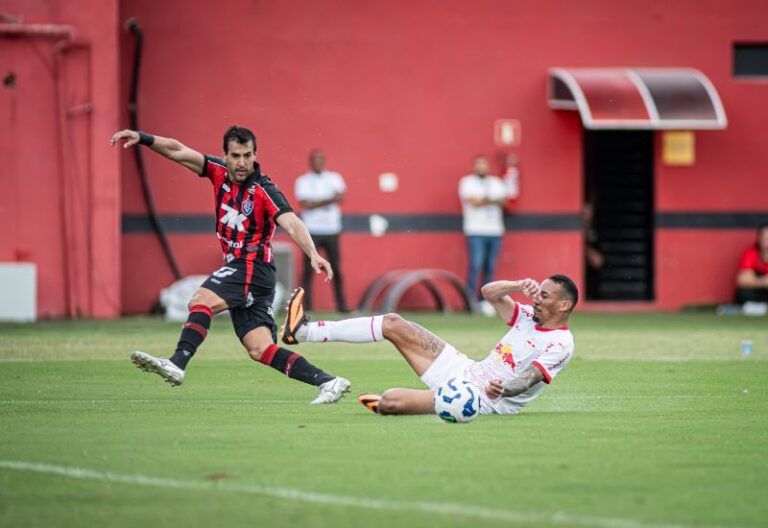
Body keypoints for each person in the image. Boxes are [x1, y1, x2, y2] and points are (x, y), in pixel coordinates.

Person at [110, 126, 350, 404]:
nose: (242, 162)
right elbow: (177, 150)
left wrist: (313, 253)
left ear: (255, 155)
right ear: (225, 155)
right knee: (260, 349)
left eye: (248, 155)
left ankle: (178, 362)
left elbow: (292, 222)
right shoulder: (216, 171)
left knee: (201, 299)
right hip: (247, 272)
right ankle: (329, 381)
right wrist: (144, 138)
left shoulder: (263, 189)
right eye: (236, 155)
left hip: (252, 267)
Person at [280, 275, 577, 416]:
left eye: (546, 296)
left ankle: (389, 405)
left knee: (390, 401)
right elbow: (488, 293)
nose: (537, 298)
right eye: (540, 292)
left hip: (481, 399)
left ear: (564, 305)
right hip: (465, 369)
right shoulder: (526, 315)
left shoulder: (561, 343)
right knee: (394, 322)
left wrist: (504, 389)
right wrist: (516, 285)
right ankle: (303, 331)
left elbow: (527, 380)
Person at [294, 149, 349, 312]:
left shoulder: (335, 178)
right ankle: (306, 307)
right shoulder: (302, 181)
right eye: (314, 160)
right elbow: (305, 204)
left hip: (332, 230)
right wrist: (329, 199)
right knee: (308, 271)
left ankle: (342, 306)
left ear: (324, 161)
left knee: (336, 269)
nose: (317, 163)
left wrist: (316, 202)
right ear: (310, 162)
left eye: (320, 159)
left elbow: (339, 198)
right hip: (310, 231)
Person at [459, 155, 507, 304]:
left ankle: (486, 302)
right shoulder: (467, 182)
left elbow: (505, 200)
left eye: (484, 164)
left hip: (495, 231)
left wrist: (485, 200)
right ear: (474, 167)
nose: (481, 167)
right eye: (478, 164)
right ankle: (471, 301)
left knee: (490, 268)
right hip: (475, 231)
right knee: (476, 265)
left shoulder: (496, 182)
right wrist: (493, 200)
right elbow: (474, 202)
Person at [735, 223, 768, 304]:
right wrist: (764, 281)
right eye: (763, 237)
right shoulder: (751, 253)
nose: (765, 240)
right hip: (758, 292)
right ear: (758, 238)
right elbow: (742, 280)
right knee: (743, 293)